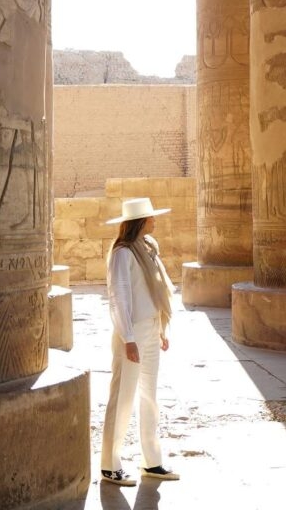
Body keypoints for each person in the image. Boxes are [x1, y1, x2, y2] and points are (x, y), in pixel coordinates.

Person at [100, 197, 179, 486]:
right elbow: (119, 297)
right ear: (140, 222)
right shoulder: (123, 254)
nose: (155, 221)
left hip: (150, 329)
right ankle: (110, 465)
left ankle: (152, 461)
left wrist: (160, 330)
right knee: (123, 397)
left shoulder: (148, 249)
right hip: (130, 333)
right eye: (151, 217)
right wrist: (128, 338)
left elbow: (154, 293)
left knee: (149, 396)